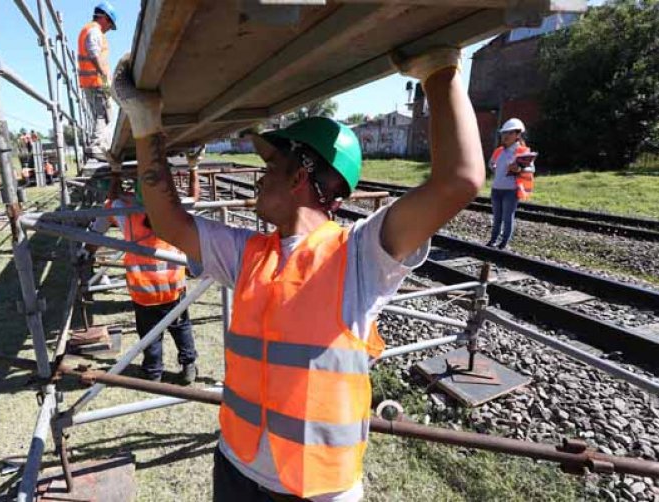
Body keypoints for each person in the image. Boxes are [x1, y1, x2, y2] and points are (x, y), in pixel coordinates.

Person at [112, 46, 484, 501]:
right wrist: (147, 125)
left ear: (298, 178)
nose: (259, 178)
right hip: (235, 464)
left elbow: (460, 179)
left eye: (270, 166)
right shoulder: (251, 252)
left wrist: (439, 71)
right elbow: (171, 222)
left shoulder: (360, 254)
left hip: (316, 489)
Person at [89, 180, 198, 385]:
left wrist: (115, 172)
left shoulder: (129, 215)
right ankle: (188, 366)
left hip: (144, 289)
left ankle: (153, 371)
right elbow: (194, 198)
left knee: (150, 332)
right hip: (172, 286)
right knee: (181, 327)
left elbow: (112, 200)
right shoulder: (172, 212)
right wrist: (194, 168)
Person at [486, 118, 536, 250]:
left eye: (509, 133)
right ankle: (493, 240)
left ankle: (503, 243)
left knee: (507, 217)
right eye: (504, 133)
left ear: (517, 135)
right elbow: (491, 164)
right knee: (497, 217)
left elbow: (532, 169)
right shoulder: (499, 151)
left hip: (511, 190)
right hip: (496, 189)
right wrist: (494, 166)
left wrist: (519, 169)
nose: (505, 136)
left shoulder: (523, 152)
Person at [78, 2, 117, 158]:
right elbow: (93, 52)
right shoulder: (94, 31)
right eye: (110, 25)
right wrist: (103, 74)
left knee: (104, 115)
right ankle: (96, 147)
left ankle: (103, 145)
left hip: (92, 82)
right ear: (104, 18)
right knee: (102, 114)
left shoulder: (89, 30)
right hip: (96, 81)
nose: (109, 29)